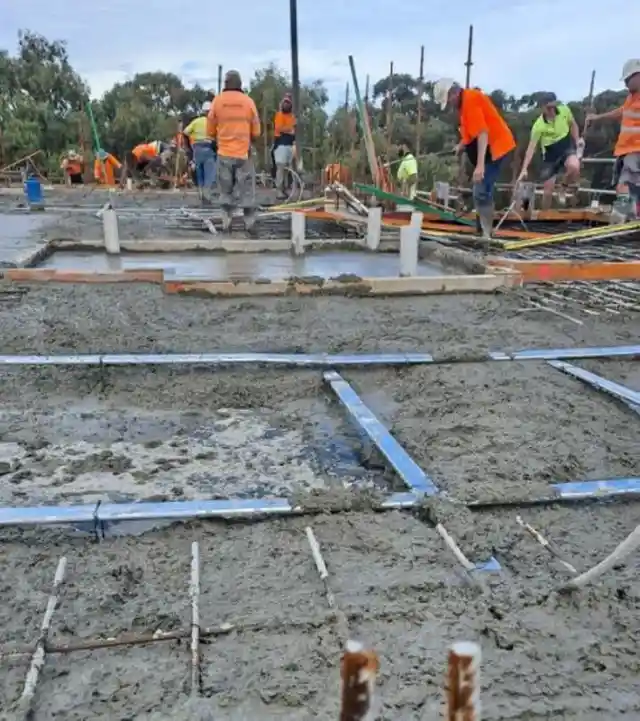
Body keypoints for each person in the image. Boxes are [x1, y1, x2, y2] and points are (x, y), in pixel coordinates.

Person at [434, 78, 516, 239]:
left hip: (496, 147)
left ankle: (486, 234)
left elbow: (483, 133)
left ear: (454, 92)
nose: (449, 104)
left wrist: (480, 166)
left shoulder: (471, 100)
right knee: (483, 189)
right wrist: (460, 145)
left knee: (480, 189)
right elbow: (469, 133)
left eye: (448, 99)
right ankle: (483, 230)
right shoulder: (463, 106)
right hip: (489, 150)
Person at [207, 70, 261, 235]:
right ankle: (249, 225)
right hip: (243, 154)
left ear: (225, 84)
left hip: (224, 153)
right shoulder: (248, 102)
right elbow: (257, 131)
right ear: (240, 84)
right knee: (247, 191)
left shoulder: (217, 101)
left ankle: (226, 224)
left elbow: (210, 130)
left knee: (225, 190)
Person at [587, 59, 640, 221]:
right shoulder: (631, 97)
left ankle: (620, 217)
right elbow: (621, 112)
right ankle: (631, 218)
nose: (625, 84)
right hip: (625, 150)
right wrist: (597, 118)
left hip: (636, 150)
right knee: (628, 186)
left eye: (627, 79)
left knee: (626, 184)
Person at [518, 93, 582, 209]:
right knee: (547, 191)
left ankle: (563, 188)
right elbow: (531, 148)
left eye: (553, 107)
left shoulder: (564, 110)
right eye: (548, 108)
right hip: (550, 156)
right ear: (542, 108)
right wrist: (524, 169)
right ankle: (545, 215)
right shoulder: (539, 125)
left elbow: (573, 125)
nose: (552, 110)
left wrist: (577, 140)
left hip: (566, 148)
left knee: (574, 166)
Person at [184, 101, 217, 204]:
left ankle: (201, 194)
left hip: (197, 149)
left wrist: (191, 142)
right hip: (208, 148)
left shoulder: (196, 122)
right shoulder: (212, 122)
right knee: (209, 173)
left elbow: (185, 132)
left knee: (200, 173)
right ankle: (207, 196)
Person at [273, 94, 296, 199]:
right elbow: (279, 128)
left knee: (287, 169)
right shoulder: (279, 115)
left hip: (290, 145)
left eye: (288, 103)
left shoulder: (291, 116)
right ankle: (278, 190)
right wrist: (289, 130)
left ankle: (285, 189)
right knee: (281, 168)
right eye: (285, 102)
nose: (286, 104)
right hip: (281, 144)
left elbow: (294, 129)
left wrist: (291, 131)